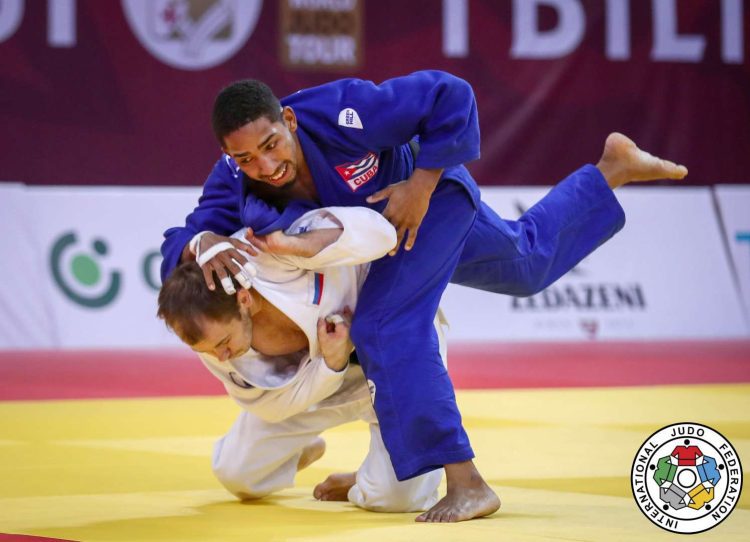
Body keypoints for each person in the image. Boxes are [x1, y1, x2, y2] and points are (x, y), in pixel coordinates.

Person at [160, 71, 688, 522]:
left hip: (431, 201)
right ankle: (612, 168)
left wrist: (423, 182)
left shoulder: (341, 110)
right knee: (526, 265)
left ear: (289, 122)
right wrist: (200, 242)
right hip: (385, 232)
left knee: (386, 327)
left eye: (271, 144)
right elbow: (181, 242)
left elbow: (451, 93)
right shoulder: (233, 176)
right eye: (245, 157)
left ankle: (467, 482)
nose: (264, 165)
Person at [158, 205, 447, 513]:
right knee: (238, 477)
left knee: (396, 500)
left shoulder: (273, 248)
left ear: (244, 299)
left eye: (224, 343)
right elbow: (271, 406)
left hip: (391, 364)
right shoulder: (213, 341)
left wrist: (301, 245)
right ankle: (306, 452)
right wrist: (331, 364)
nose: (221, 357)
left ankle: (365, 479)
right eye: (208, 351)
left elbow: (382, 233)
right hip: (314, 386)